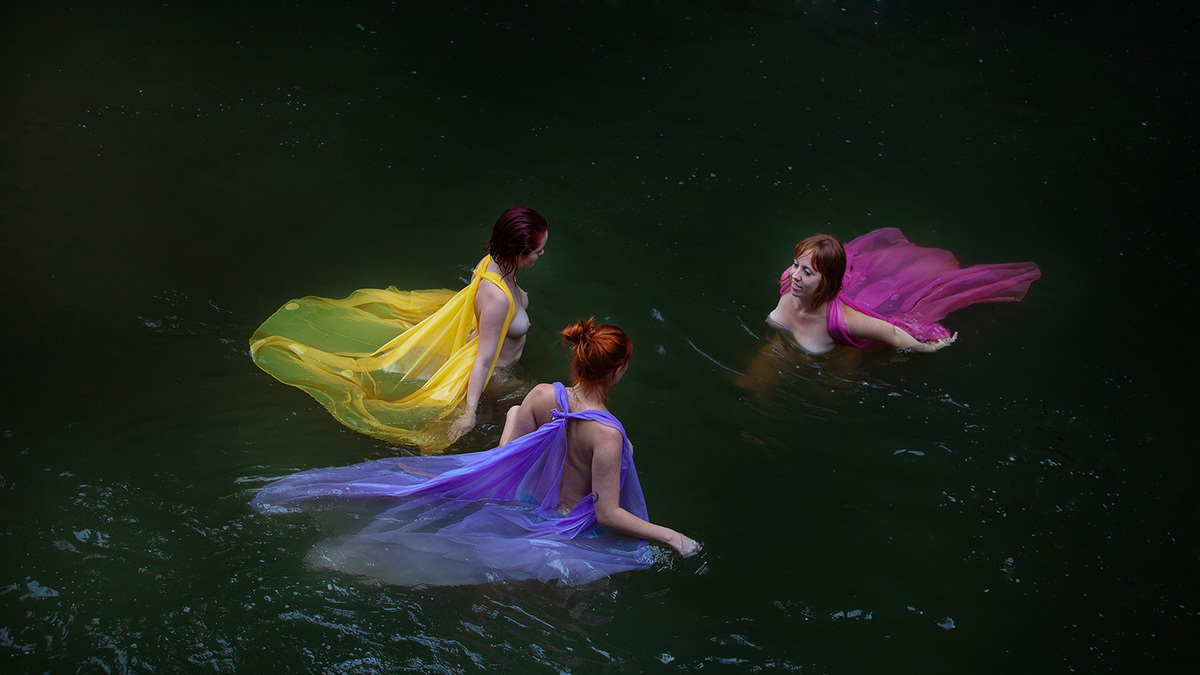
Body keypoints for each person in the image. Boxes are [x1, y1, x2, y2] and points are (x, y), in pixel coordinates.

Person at [250, 319, 700, 587]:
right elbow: (607, 515)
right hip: (561, 529)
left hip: (519, 507)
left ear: (580, 360)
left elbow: (507, 455)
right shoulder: (608, 436)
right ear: (618, 369)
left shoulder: (546, 395)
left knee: (443, 540)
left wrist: (509, 422)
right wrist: (673, 536)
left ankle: (340, 550)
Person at [248, 206, 548, 453]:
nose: (542, 255)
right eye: (538, 251)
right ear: (518, 252)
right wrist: (468, 413)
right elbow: (483, 359)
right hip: (496, 376)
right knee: (531, 414)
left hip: (489, 359)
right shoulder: (496, 298)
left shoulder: (489, 263)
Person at [767, 228, 1041, 354]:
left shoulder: (843, 320)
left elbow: (893, 333)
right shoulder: (789, 282)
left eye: (807, 272)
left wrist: (927, 347)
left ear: (826, 282)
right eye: (796, 264)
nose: (795, 275)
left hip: (840, 360)